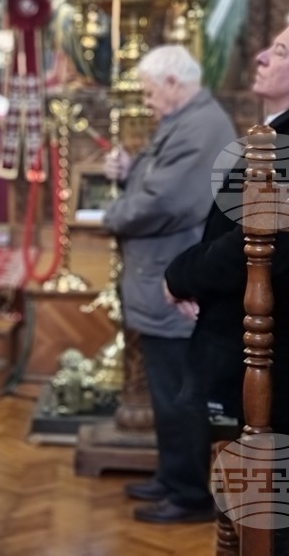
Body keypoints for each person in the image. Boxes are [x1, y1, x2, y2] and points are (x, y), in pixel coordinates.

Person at [155, 13, 289, 525]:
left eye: (281, 52)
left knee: (270, 512)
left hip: (276, 352)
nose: (263, 56)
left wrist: (182, 274)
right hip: (256, 335)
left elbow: (257, 245)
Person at [101, 45, 235, 524]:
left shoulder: (201, 126)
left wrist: (109, 215)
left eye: (151, 90)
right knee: (165, 388)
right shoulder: (188, 121)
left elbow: (168, 202)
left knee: (178, 390)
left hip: (171, 279)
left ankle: (188, 493)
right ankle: (172, 475)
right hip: (158, 273)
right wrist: (131, 170)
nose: (147, 99)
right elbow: (157, 179)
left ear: (175, 83)